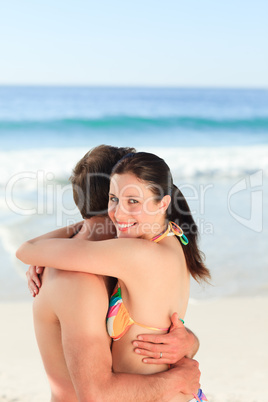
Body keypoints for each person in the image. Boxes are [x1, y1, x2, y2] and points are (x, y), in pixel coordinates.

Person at [18, 146, 204, 401]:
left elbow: (152, 320)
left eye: (133, 200)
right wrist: (175, 379)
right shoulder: (82, 279)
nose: (121, 212)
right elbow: (96, 394)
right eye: (115, 198)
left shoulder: (131, 256)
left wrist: (189, 341)